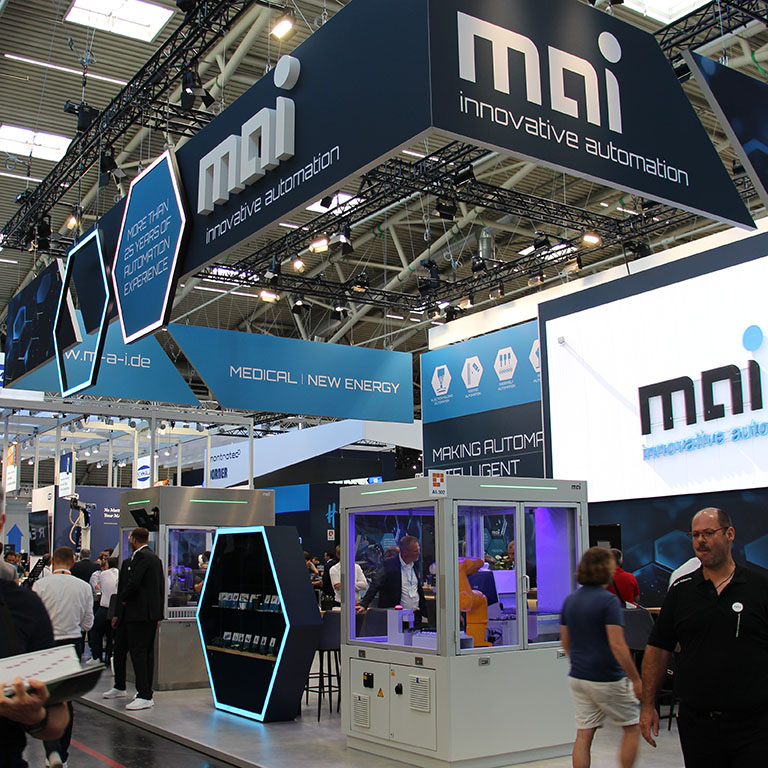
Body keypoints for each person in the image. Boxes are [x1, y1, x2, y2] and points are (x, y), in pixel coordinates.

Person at [640, 507, 768, 767]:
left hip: (753, 725)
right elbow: (658, 648)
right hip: (698, 725)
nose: (700, 541)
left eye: (709, 533)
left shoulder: (759, 587)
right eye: (695, 535)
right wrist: (648, 704)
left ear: (729, 534)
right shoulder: (681, 591)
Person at [560, 546, 642, 768]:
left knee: (584, 735)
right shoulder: (608, 601)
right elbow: (618, 645)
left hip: (579, 677)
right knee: (631, 728)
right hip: (606, 678)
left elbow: (566, 643)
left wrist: (580, 663)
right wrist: (636, 679)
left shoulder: (570, 600)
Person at [32, 546, 94, 768]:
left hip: (47, 644)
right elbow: (88, 623)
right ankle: (63, 755)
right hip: (72, 645)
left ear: (52, 562)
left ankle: (52, 751)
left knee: (47, 698)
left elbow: (34, 619)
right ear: (73, 562)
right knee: (67, 699)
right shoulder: (84, 587)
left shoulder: (40, 585)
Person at [103, 527, 164, 710]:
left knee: (140, 653)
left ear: (134, 540)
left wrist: (124, 599)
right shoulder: (135, 560)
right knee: (120, 650)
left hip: (140, 615)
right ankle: (119, 686)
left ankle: (145, 694)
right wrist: (118, 613)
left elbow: (134, 584)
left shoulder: (145, 558)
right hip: (129, 614)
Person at [357, 535, 428, 622]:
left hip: (415, 616)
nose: (419, 553)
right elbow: (376, 583)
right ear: (405, 552)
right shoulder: (389, 564)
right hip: (395, 618)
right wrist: (364, 604)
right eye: (415, 551)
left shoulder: (414, 565)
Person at [91, 557, 119, 665]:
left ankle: (96, 656)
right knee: (111, 635)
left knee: (96, 631)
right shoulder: (120, 574)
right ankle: (110, 656)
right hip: (115, 610)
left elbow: (99, 587)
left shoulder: (103, 574)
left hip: (103, 608)